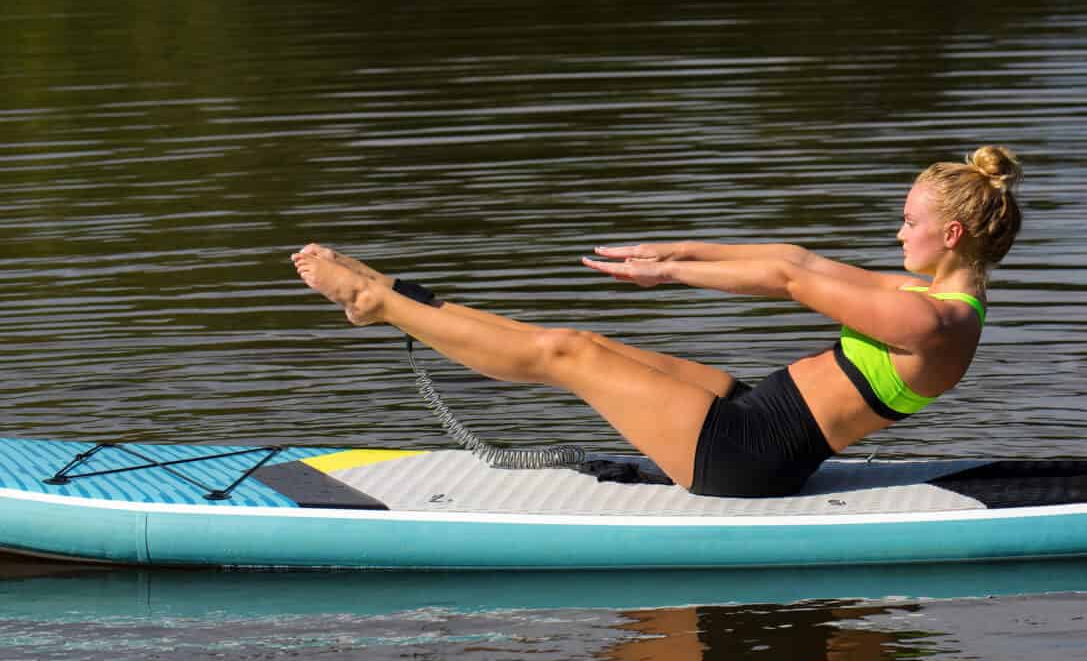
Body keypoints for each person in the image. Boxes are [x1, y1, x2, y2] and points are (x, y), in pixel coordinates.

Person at [291, 146, 1023, 498]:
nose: (899, 235)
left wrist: (668, 273)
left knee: (566, 351)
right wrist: (673, 249)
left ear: (951, 236)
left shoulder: (928, 325)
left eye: (909, 223)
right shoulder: (936, 305)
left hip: (748, 455)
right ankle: (392, 292)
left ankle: (378, 305)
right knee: (595, 346)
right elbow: (795, 255)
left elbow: (791, 279)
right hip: (755, 413)